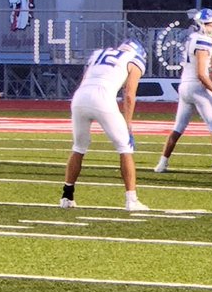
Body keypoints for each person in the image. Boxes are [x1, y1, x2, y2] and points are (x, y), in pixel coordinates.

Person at [61, 38, 150, 211]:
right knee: (125, 147)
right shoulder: (134, 59)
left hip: (80, 96)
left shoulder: (98, 54)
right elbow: (129, 94)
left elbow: (85, 80)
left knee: (79, 147)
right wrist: (128, 124)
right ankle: (131, 200)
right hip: (102, 98)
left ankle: (67, 196)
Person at [154, 8, 212, 175]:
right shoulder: (203, 41)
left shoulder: (193, 38)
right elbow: (201, 74)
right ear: (201, 25)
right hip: (196, 87)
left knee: (178, 127)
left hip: (184, 86)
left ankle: (162, 163)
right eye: (210, 24)